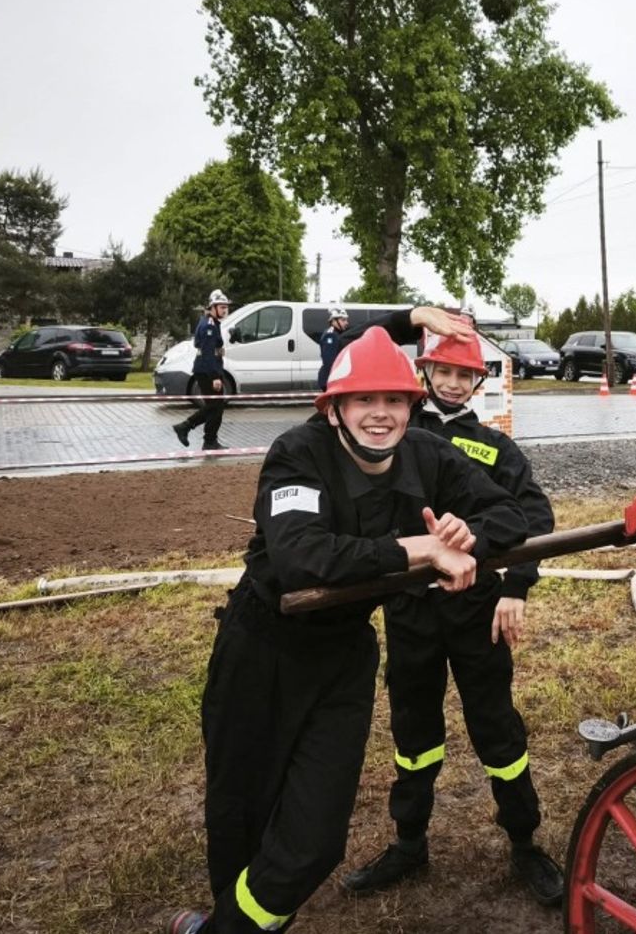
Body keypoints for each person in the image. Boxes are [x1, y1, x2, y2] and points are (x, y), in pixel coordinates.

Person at [165, 326, 528, 934]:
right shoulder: (296, 454)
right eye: (364, 400)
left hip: (344, 660)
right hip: (264, 651)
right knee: (243, 812)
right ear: (334, 409)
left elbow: (511, 511)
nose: (381, 414)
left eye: (394, 401)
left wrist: (470, 535)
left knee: (316, 842)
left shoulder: (428, 454)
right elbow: (301, 557)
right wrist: (416, 548)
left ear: (411, 408)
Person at [338, 324, 564, 907]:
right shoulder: (390, 439)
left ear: (478, 383)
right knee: (413, 731)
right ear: (425, 373)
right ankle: (409, 843)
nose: (455, 383)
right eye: (445, 372)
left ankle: (525, 842)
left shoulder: (494, 448)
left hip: (476, 611)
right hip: (410, 611)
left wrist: (516, 587)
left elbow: (533, 517)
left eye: (466, 375)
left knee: (496, 726)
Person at [174, 289, 231, 453]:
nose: (225, 310)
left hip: (207, 369)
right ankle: (186, 427)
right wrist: (215, 377)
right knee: (215, 406)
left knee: (216, 407)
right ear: (212, 307)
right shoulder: (209, 326)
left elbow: (201, 345)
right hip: (207, 371)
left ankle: (209, 440)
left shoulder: (209, 322)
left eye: (226, 307)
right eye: (221, 307)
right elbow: (207, 353)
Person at [317, 307, 350, 391]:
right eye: (343, 320)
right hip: (331, 379)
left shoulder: (336, 333)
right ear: (334, 321)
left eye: (346, 320)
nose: (346, 323)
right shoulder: (331, 335)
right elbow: (330, 362)